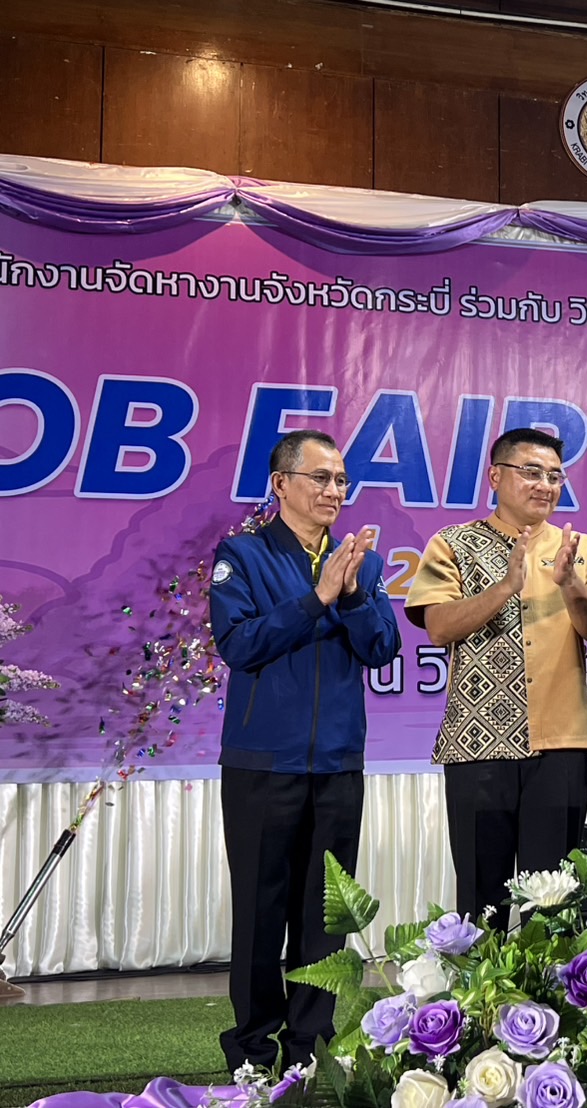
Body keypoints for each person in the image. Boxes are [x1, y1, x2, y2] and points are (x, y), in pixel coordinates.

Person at [209, 429, 401, 1073]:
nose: (333, 490)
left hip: (339, 765)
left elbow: (382, 648)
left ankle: (309, 1047)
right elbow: (239, 645)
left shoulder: (362, 562)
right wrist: (316, 598)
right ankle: (252, 1048)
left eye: (341, 480)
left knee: (326, 916)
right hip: (263, 764)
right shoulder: (243, 554)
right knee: (261, 911)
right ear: (281, 484)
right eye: (320, 477)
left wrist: (352, 595)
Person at [405, 428, 587, 930]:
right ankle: (483, 984)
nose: (545, 485)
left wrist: (569, 583)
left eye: (555, 476)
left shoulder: (579, 548)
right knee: (483, 901)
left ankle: (549, 986)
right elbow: (438, 627)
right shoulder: (452, 543)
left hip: (561, 743)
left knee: (554, 902)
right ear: (495, 476)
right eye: (531, 472)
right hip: (477, 745)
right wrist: (505, 586)